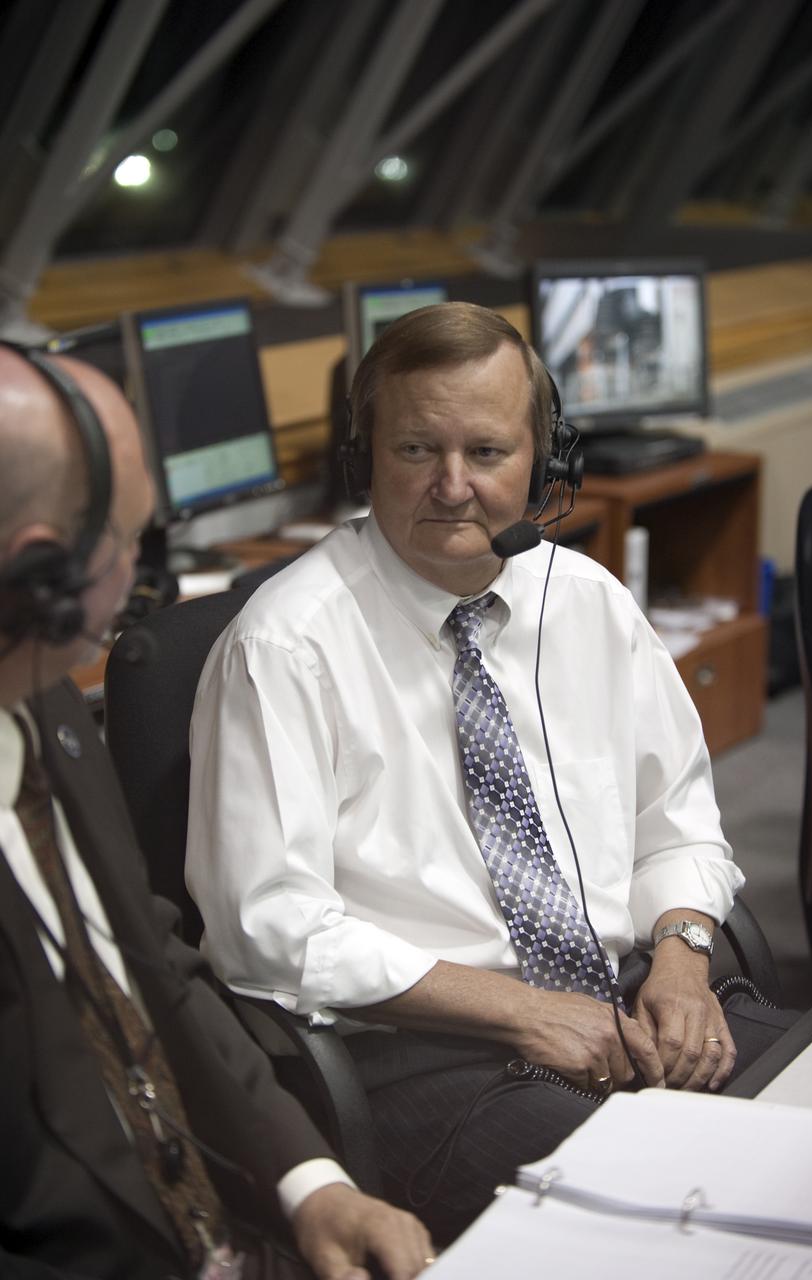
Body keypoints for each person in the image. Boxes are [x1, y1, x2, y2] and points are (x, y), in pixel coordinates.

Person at [186, 303, 796, 1244]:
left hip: (634, 1004)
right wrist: (519, 1011)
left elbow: (676, 819)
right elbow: (264, 928)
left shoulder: (586, 601)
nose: (452, 486)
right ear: (362, 460)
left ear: (544, 464)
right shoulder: (283, 647)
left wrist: (681, 960)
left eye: (486, 452)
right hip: (435, 1056)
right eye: (415, 450)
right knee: (677, 1233)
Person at [0, 343, 433, 1280]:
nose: (140, 578)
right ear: (41, 571)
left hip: (212, 1221)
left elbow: (151, 960)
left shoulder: (45, 704)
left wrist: (312, 1185)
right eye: (128, 542)